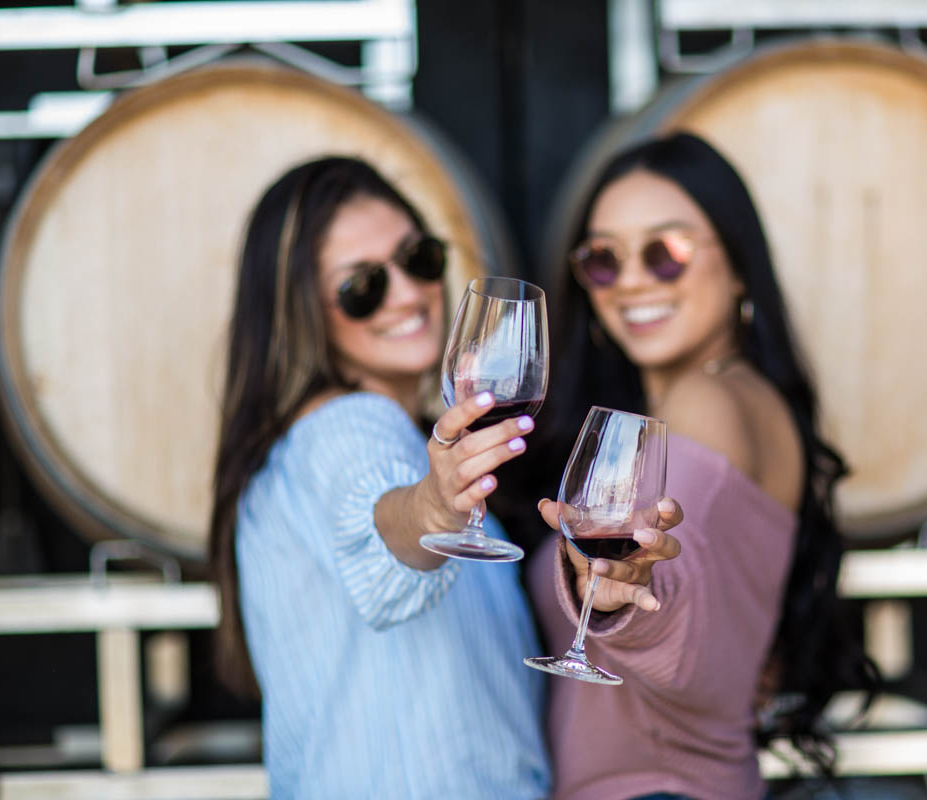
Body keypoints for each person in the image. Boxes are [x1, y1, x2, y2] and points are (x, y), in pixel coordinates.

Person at [206, 155, 679, 799]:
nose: (406, 292)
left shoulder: (401, 434)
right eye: (362, 286)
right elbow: (380, 527)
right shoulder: (344, 426)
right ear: (300, 314)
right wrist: (433, 510)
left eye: (418, 258)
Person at [508, 132, 879, 800]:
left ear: (738, 267)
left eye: (666, 253)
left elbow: (681, 584)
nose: (632, 283)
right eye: (603, 261)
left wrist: (630, 595)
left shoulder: (709, 399)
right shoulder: (725, 402)